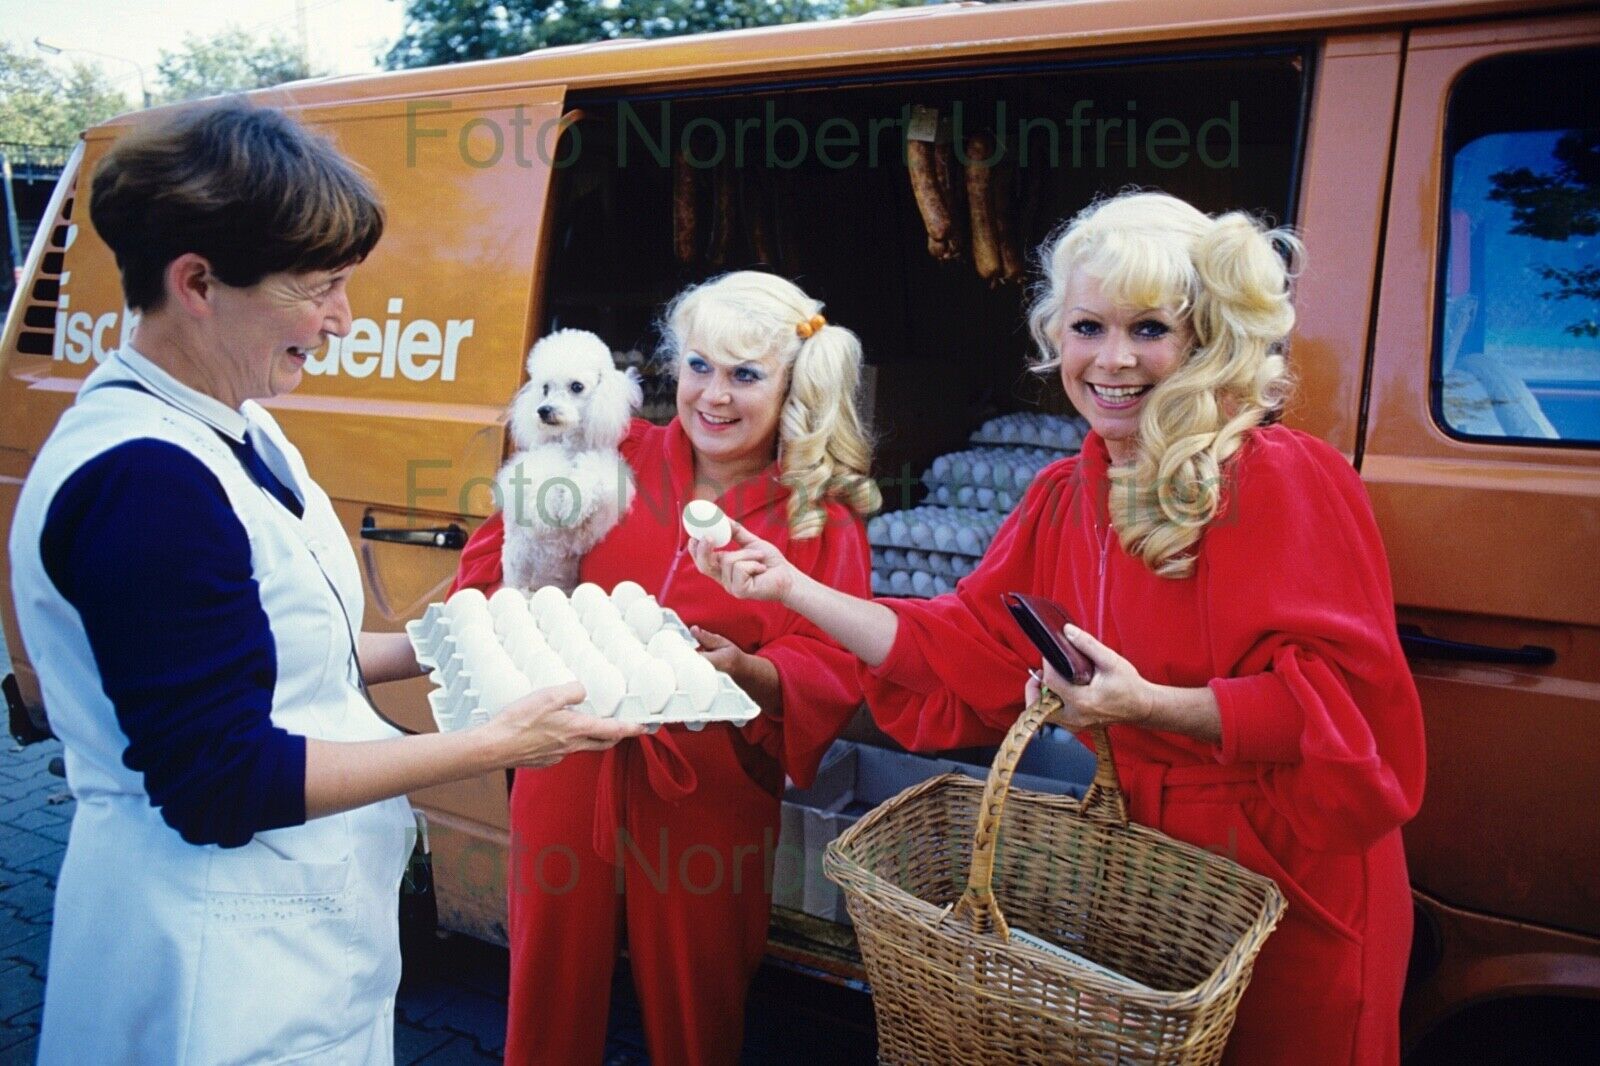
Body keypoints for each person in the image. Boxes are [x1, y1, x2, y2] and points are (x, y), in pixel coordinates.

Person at [691, 192, 1427, 1065]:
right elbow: (962, 649)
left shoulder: (1283, 478)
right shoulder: (1063, 495)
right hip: (1153, 883)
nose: (1112, 360)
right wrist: (793, 589)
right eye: (1087, 328)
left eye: (1150, 328)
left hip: (1291, 879)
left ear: (1207, 339)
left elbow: (1346, 717)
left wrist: (1146, 705)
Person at [7, 102, 643, 1066]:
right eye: (321, 287)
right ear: (198, 284)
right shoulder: (142, 480)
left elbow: (286, 654)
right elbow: (221, 779)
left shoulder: (245, 425)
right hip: (212, 972)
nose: (343, 318)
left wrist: (472, 633)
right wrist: (490, 744)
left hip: (295, 946)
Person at [448, 271, 878, 1065]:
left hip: (706, 781)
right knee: (548, 983)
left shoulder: (821, 516)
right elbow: (497, 563)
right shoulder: (611, 453)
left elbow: (834, 669)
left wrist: (748, 669)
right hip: (567, 752)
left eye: (746, 375)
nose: (714, 395)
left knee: (697, 998)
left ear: (793, 384)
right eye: (698, 366)